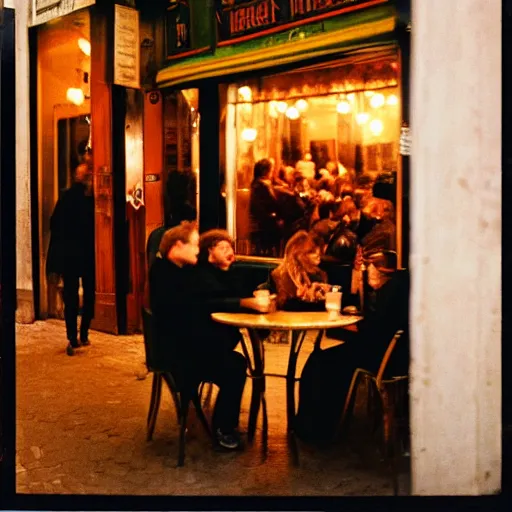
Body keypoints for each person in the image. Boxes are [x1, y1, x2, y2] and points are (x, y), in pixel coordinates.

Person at [149, 222, 260, 450]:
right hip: (179, 358)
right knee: (235, 367)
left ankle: (222, 426)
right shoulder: (169, 276)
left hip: (184, 348)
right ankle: (223, 431)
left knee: (234, 361)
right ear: (178, 246)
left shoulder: (172, 270)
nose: (198, 250)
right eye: (195, 245)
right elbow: (197, 307)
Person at [295, 250, 408, 443]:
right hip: (396, 356)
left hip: (382, 359)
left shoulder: (390, 293)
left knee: (319, 361)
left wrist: (344, 324)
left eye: (368, 269)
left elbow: (372, 329)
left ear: (378, 271)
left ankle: (316, 430)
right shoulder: (399, 286)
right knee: (324, 358)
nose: (366, 273)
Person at [46, 161, 95, 356]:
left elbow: (54, 224)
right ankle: (83, 333)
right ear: (87, 179)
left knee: (71, 296)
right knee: (89, 294)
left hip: (69, 256)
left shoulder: (65, 198)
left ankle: (72, 336)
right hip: (87, 254)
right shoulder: (89, 199)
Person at [269, 231, 330, 311]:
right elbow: (281, 305)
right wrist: (300, 298)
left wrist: (321, 293)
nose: (318, 255)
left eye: (318, 250)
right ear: (297, 254)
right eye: (311, 252)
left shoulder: (319, 275)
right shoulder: (279, 275)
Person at [249, 158, 284, 256]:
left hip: (267, 220)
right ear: (265, 171)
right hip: (264, 224)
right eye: (271, 171)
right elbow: (261, 208)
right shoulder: (259, 186)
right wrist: (275, 218)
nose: (272, 174)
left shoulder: (265, 184)